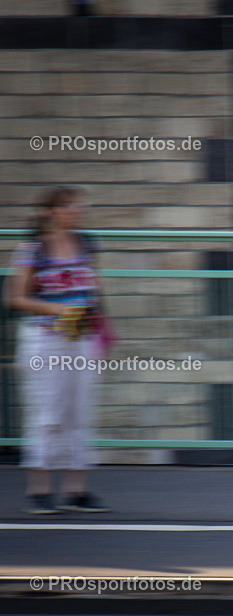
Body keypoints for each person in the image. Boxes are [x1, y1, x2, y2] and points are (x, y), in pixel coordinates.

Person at [4, 186, 110, 514]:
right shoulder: (33, 249)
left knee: (79, 411)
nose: (77, 211)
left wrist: (103, 332)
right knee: (47, 411)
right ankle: (40, 488)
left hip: (81, 337)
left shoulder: (86, 243)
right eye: (69, 206)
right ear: (51, 212)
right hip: (46, 338)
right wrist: (58, 310)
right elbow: (15, 298)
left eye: (79, 206)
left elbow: (95, 289)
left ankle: (76, 490)